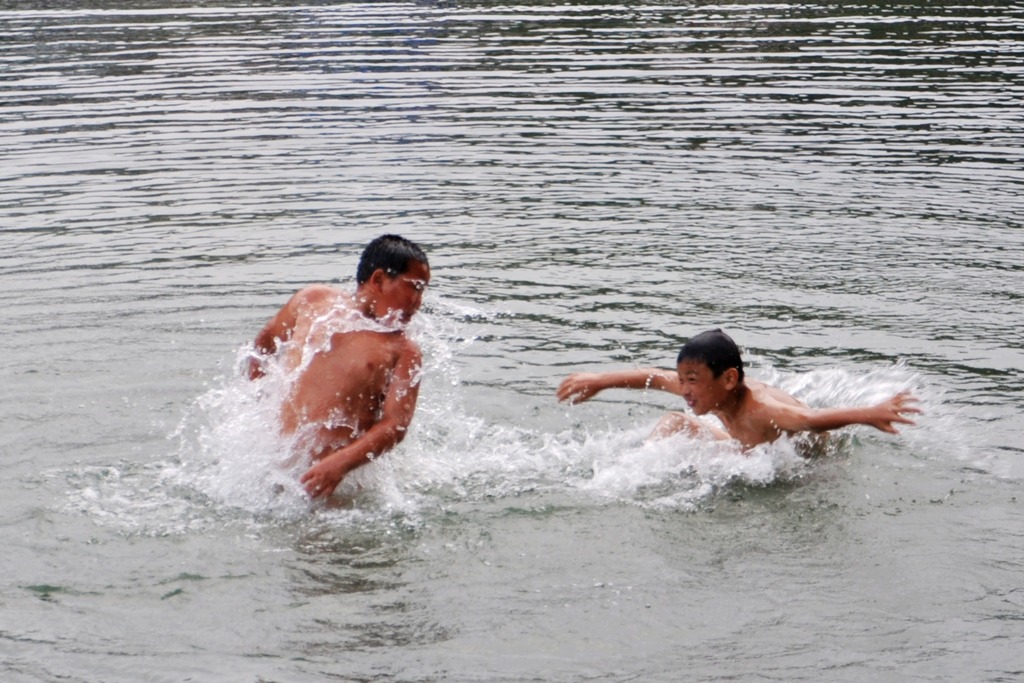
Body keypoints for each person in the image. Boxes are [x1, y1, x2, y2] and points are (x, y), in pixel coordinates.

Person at [247, 234, 430, 499]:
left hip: (332, 485)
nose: (418, 301)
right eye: (413, 287)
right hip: (273, 467)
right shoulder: (313, 300)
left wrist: (340, 464)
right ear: (378, 279)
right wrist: (259, 402)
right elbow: (264, 344)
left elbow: (395, 425)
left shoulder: (403, 351)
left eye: (422, 290)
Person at [556, 328, 919, 451]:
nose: (683, 389)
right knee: (672, 422)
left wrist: (870, 414)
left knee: (739, 455)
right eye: (681, 379)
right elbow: (651, 376)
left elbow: (811, 420)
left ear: (728, 379)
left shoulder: (763, 409)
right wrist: (599, 380)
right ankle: (630, 472)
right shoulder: (703, 390)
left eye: (692, 380)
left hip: (802, 475)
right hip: (750, 447)